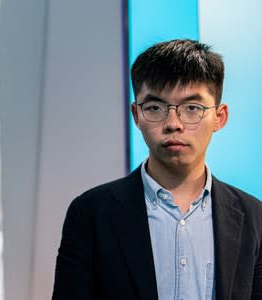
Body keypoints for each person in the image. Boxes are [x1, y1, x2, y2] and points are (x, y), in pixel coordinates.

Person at [52, 39, 262, 299]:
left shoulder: (254, 217)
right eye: (155, 108)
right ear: (136, 115)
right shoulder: (90, 213)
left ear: (219, 117)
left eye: (192, 108)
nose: (173, 123)